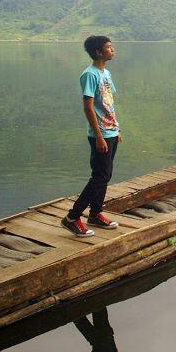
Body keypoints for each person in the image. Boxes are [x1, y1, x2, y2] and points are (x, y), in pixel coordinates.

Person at [62, 35, 122, 236]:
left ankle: (95, 214)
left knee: (105, 176)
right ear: (98, 52)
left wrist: (117, 129)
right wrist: (99, 135)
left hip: (110, 131)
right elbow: (88, 107)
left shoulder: (106, 73)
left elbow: (108, 104)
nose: (112, 50)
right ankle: (72, 217)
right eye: (109, 47)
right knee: (99, 177)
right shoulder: (90, 75)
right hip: (100, 134)